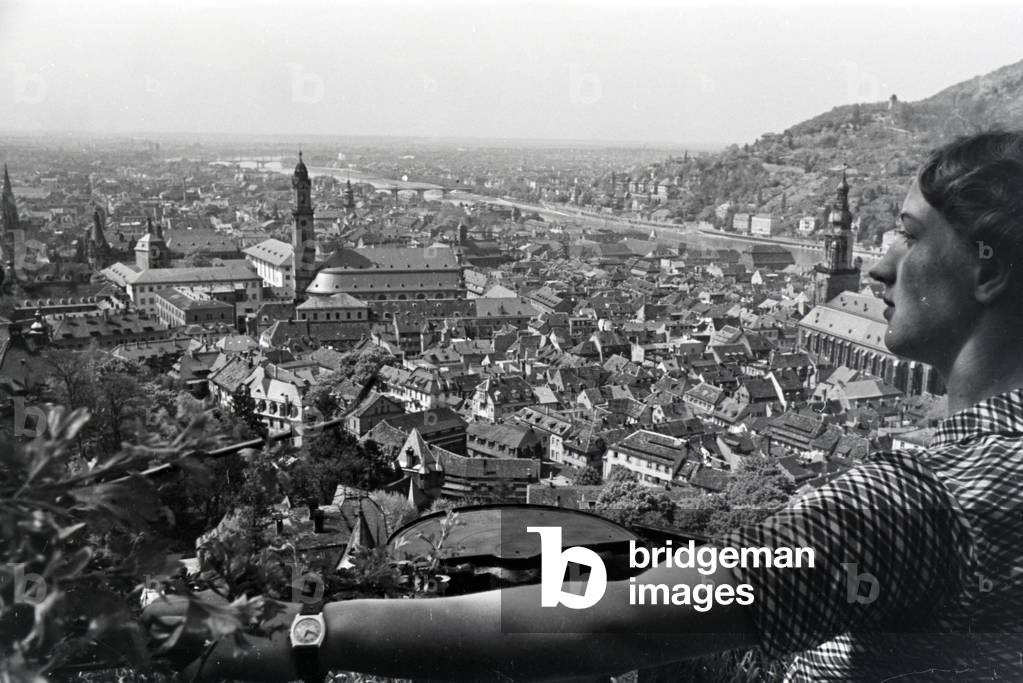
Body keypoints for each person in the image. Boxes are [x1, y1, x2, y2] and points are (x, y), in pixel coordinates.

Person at [146, 131, 1023, 681]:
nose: (874, 265)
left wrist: (309, 634)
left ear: (985, 267)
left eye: (907, 235)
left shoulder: (916, 503)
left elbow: (603, 629)